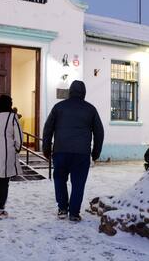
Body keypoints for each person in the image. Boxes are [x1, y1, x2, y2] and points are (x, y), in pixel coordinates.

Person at [43, 80, 104, 222]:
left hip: (61, 151)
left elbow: (48, 129)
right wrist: (96, 153)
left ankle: (62, 208)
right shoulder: (90, 109)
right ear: (84, 93)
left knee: (59, 179)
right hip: (81, 154)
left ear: (70, 91)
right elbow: (99, 132)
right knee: (78, 183)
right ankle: (74, 213)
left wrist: (46, 149)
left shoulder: (58, 107)